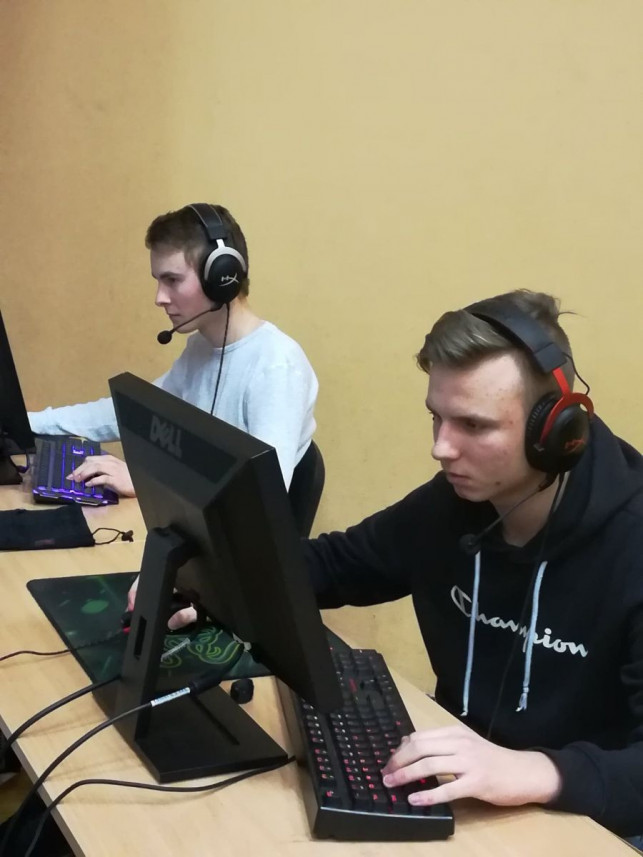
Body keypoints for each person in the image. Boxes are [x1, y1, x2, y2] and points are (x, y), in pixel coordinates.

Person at [302, 289, 643, 842]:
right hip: (470, 798)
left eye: (474, 425)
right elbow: (332, 566)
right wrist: (210, 575)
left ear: (555, 432)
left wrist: (537, 771)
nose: (441, 448)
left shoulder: (632, 540)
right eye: (436, 418)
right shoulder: (455, 504)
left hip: (593, 820)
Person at [28, 203, 318, 496]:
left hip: (237, 526)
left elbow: (262, 493)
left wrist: (146, 481)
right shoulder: (201, 348)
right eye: (158, 281)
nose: (160, 298)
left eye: (172, 280)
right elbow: (134, 414)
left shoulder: (276, 366)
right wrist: (28, 422)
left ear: (221, 276)